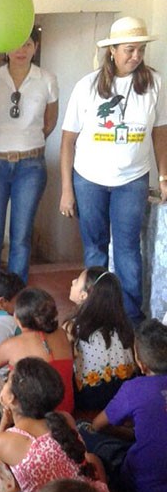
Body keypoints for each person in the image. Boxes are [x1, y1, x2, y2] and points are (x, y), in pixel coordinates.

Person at [60, 16, 167, 323]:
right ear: (112, 51)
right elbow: (68, 140)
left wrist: (163, 175)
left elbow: (161, 131)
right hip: (89, 180)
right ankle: (97, 315)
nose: (136, 56)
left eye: (140, 50)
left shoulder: (154, 83)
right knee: (94, 250)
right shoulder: (88, 86)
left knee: (128, 251)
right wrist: (67, 190)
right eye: (129, 50)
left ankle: (131, 318)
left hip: (132, 180)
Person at [0, 26, 58, 297]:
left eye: (28, 44)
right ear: (5, 48)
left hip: (30, 167)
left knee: (21, 240)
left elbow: (49, 123)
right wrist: (3, 143)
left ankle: (16, 304)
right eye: (16, 44)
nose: (21, 50)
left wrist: (26, 143)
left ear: (36, 47)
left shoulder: (47, 79)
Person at [0, 358, 110, 492]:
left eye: (7, 379)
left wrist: (4, 422)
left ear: (11, 399)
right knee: (93, 459)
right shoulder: (64, 419)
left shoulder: (2, 442)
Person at [81, 318, 167, 492]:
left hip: (143, 485)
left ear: (141, 362)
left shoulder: (134, 388)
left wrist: (129, 433)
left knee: (83, 428)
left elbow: (97, 425)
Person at [0, 287, 75, 413]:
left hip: (35, 416)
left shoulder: (11, 345)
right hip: (66, 410)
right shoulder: (61, 333)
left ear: (17, 318)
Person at [64, 268, 136, 412]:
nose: (73, 281)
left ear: (84, 295)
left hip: (89, 398)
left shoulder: (73, 326)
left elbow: (66, 360)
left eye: (77, 281)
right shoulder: (124, 325)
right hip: (124, 394)